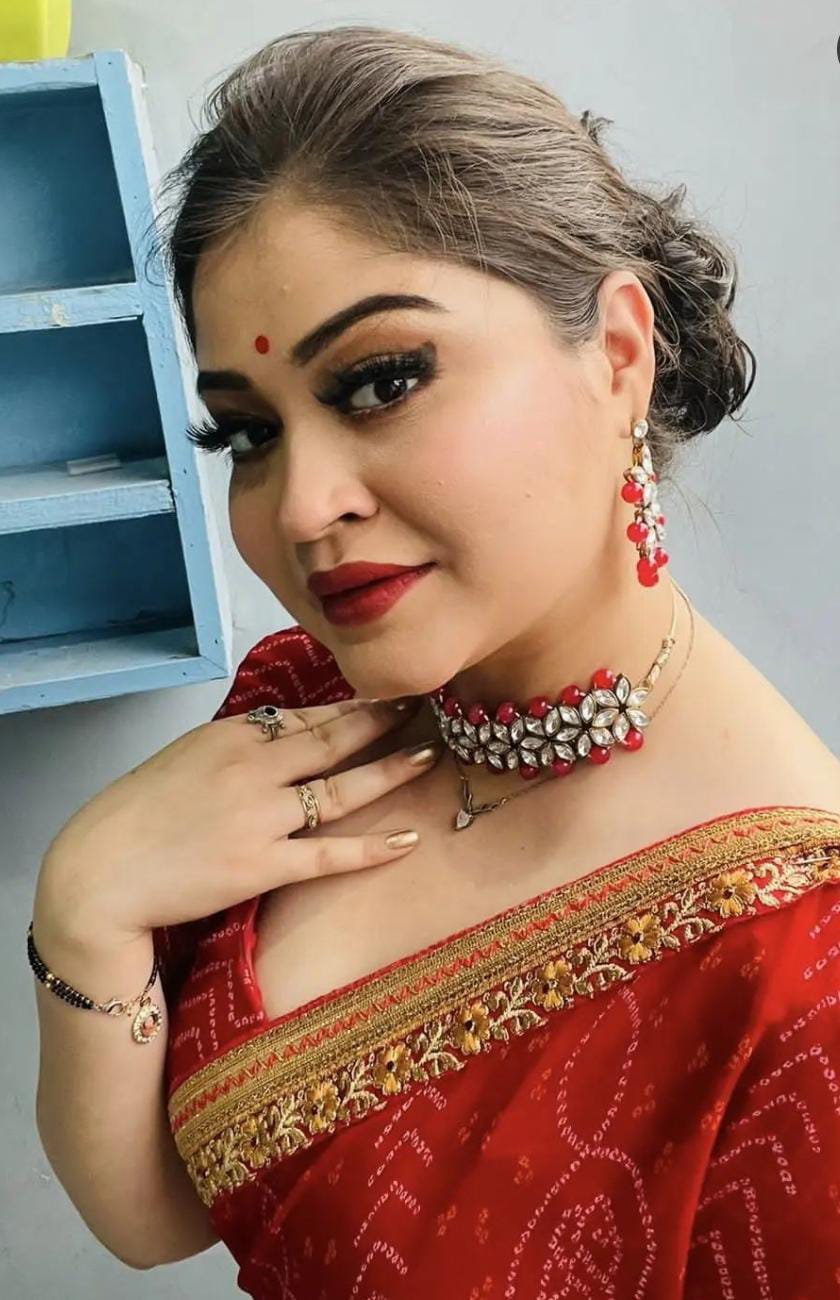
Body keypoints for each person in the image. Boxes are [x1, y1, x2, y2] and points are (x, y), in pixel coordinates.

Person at [31, 24, 840, 1299]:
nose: (303, 508)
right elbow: (158, 1213)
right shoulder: (302, 706)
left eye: (380, 381)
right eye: (248, 435)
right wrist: (83, 909)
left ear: (618, 356)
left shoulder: (800, 976)